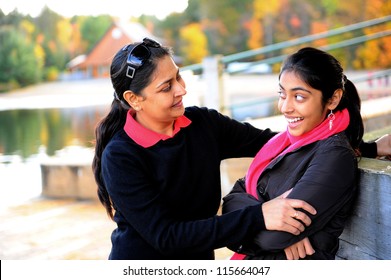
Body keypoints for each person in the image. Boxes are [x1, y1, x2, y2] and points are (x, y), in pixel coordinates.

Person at [92, 38, 390, 260]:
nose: (182, 88)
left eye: (178, 76)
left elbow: (280, 143)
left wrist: (363, 147)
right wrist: (262, 217)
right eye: (166, 87)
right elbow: (167, 236)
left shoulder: (201, 123)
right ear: (134, 99)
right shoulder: (120, 156)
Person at [222, 47, 376, 260]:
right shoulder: (284, 143)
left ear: (332, 99)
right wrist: (261, 214)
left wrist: (243, 218)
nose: (285, 107)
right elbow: (230, 201)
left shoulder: (335, 156)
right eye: (282, 94)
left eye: (299, 97)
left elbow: (273, 238)